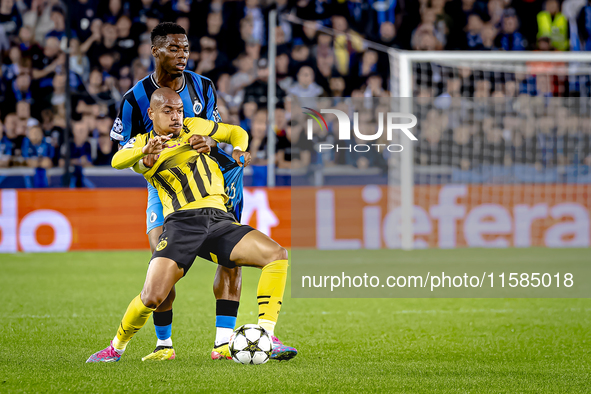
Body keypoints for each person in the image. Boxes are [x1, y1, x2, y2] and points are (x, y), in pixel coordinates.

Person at [87, 88, 297, 363]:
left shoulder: (193, 126)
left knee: (277, 255)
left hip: (219, 218)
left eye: (179, 110)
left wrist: (234, 148)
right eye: (168, 111)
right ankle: (116, 348)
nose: (176, 116)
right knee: (152, 296)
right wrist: (143, 151)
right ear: (151, 114)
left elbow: (235, 132)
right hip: (182, 223)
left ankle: (267, 335)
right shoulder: (144, 146)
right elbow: (117, 161)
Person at [108, 22, 248, 362]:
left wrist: (213, 142)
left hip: (210, 184)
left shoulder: (204, 87)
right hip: (165, 189)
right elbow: (120, 151)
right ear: (155, 51)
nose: (182, 55)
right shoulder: (134, 99)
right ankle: (164, 345)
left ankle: (223, 343)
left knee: (233, 260)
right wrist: (146, 156)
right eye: (174, 49)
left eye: (185, 49)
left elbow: (218, 133)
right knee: (161, 259)